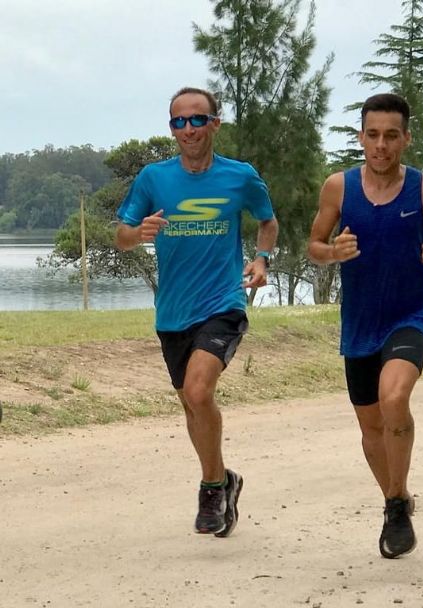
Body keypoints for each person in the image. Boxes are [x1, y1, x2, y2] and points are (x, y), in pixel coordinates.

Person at [115, 86, 278, 538]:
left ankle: (210, 488)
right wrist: (139, 233)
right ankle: (225, 479)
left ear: (214, 124)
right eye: (178, 122)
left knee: (199, 391)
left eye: (196, 119)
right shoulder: (153, 178)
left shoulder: (240, 176)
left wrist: (262, 259)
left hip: (223, 302)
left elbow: (268, 220)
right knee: (191, 402)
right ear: (172, 128)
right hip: (172, 313)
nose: (187, 129)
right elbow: (122, 235)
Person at [308, 93, 423, 558]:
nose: (381, 145)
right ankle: (397, 498)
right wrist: (332, 253)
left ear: (406, 139)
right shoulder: (338, 188)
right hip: (359, 324)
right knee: (371, 428)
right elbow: (314, 243)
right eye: (372, 135)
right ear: (361, 138)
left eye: (391, 136)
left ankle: (395, 511)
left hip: (410, 315)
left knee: (395, 397)